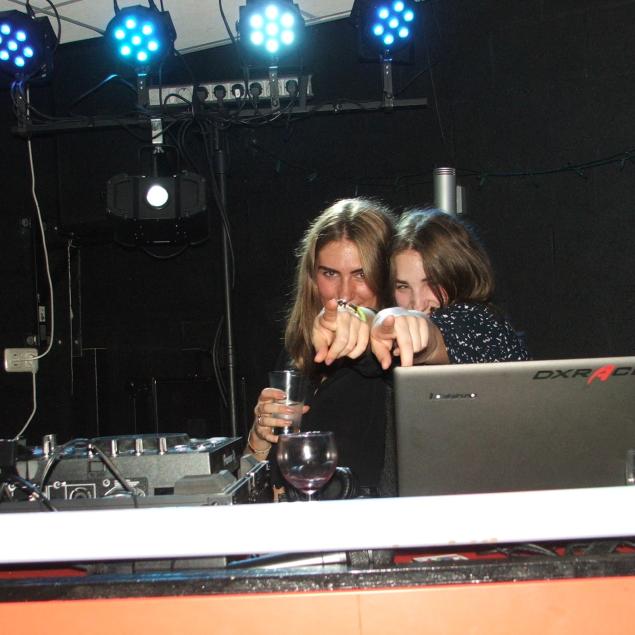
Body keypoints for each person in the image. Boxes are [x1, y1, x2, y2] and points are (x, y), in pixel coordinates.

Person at [246, 198, 396, 494]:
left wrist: (369, 323)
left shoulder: (391, 356)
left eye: (361, 274)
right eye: (330, 274)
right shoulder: (297, 354)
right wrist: (259, 438)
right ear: (313, 278)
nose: (344, 294)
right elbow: (267, 482)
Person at [370, 208, 529, 368]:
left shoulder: (483, 323)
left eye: (432, 283)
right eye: (403, 286)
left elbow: (439, 338)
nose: (418, 304)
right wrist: (378, 319)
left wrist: (395, 321)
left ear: (459, 275)